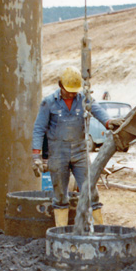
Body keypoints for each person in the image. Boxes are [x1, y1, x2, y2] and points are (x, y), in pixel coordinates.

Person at [31, 67, 120, 227]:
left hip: (80, 153)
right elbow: (39, 129)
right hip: (57, 155)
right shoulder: (48, 103)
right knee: (59, 195)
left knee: (91, 191)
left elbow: (98, 111)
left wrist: (108, 122)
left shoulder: (83, 99)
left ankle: (99, 230)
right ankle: (61, 232)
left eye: (74, 91)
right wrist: (36, 156)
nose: (72, 94)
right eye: (68, 91)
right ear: (60, 86)